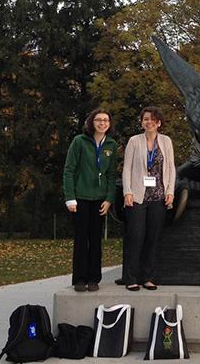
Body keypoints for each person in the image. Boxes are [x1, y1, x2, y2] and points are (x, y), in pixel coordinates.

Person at [63, 108, 118, 292]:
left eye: (106, 120)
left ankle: (94, 278)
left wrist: (109, 199)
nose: (102, 123)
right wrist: (70, 198)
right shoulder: (79, 142)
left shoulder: (111, 145)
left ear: (109, 124)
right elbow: (69, 170)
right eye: (98, 120)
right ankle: (79, 278)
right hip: (80, 198)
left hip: (100, 200)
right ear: (91, 122)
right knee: (81, 240)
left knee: (96, 240)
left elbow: (111, 174)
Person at [122, 106, 175, 291]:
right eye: (145, 119)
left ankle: (149, 278)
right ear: (142, 122)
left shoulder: (166, 141)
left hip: (159, 197)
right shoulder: (134, 141)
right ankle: (131, 278)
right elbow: (126, 168)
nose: (149, 122)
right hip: (137, 196)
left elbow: (171, 168)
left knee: (153, 238)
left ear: (159, 123)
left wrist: (170, 191)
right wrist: (127, 191)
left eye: (153, 119)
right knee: (136, 237)